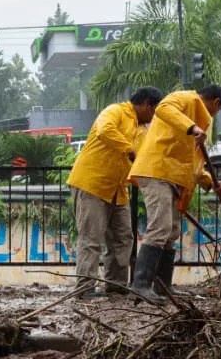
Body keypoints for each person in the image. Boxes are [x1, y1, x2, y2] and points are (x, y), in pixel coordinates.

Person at [129, 84, 221, 303]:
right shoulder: (187, 99)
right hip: (156, 170)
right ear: (216, 103)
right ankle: (140, 286)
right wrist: (192, 127)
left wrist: (211, 182)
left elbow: (194, 163)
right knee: (160, 227)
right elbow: (163, 108)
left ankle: (163, 286)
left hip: (171, 177)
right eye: (218, 109)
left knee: (171, 231)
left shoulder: (201, 121)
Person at [67, 87, 162, 297]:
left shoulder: (144, 130)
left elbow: (144, 160)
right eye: (154, 111)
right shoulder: (115, 112)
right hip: (92, 184)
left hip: (119, 190)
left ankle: (116, 287)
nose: (154, 117)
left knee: (123, 239)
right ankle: (85, 289)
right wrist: (129, 149)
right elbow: (104, 131)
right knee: (91, 239)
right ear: (147, 104)